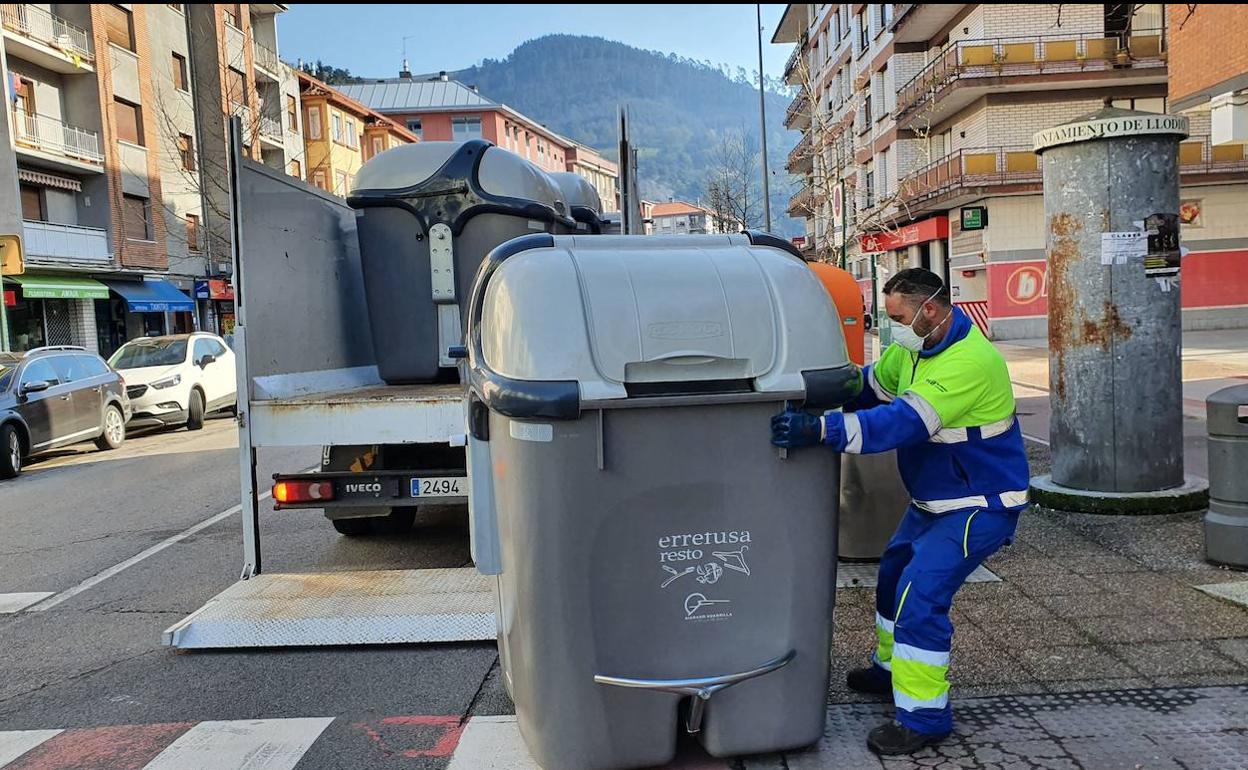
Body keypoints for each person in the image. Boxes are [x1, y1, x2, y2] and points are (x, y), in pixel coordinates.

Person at [771, 267, 1030, 756]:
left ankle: (924, 718)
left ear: (929, 310)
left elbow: (899, 423)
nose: (891, 327)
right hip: (935, 500)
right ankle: (890, 670)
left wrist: (821, 431)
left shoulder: (968, 362)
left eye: (897, 317)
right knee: (892, 576)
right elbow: (873, 385)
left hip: (978, 506)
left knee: (918, 600)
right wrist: (824, 391)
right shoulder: (913, 349)